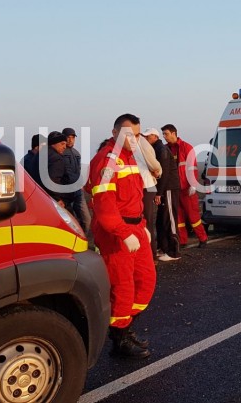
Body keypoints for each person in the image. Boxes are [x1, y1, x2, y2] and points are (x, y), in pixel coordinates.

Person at [87, 114, 156, 359]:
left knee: (146, 281)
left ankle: (125, 327)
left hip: (134, 228)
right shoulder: (107, 160)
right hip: (116, 233)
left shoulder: (130, 157)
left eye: (137, 135)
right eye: (129, 135)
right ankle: (119, 338)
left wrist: (141, 225)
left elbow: (134, 197)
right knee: (122, 286)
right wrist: (124, 232)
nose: (134, 140)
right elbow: (104, 204)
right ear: (115, 133)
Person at [161, 124, 208, 248]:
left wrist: (193, 184)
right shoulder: (165, 149)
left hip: (186, 189)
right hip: (174, 189)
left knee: (193, 216)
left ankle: (203, 238)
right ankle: (182, 241)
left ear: (174, 133)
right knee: (178, 217)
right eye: (163, 134)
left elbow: (193, 167)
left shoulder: (186, 147)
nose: (164, 136)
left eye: (166, 134)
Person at [145, 127, 181, 262]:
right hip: (164, 189)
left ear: (155, 137)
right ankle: (164, 248)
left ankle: (174, 252)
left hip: (169, 188)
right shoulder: (156, 149)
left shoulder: (161, 150)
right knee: (162, 219)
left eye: (148, 136)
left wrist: (159, 193)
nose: (146, 139)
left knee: (170, 219)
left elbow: (164, 174)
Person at [136, 131, 162, 258]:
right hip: (144, 185)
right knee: (144, 219)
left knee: (147, 220)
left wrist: (158, 171)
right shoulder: (137, 141)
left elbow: (153, 163)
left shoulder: (140, 141)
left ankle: (151, 253)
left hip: (146, 185)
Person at [61, 128, 91, 232]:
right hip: (64, 193)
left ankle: (83, 238)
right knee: (70, 221)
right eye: (68, 137)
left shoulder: (76, 153)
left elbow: (78, 171)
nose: (70, 140)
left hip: (77, 191)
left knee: (86, 220)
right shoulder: (60, 152)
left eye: (73, 137)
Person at [38, 131, 68, 207]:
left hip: (38, 196)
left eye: (65, 144)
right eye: (62, 144)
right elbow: (52, 181)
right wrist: (57, 199)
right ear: (54, 143)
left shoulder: (38, 155)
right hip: (52, 200)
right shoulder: (56, 159)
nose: (65, 147)